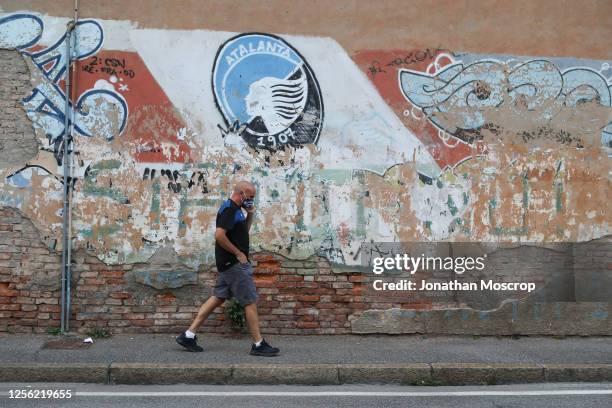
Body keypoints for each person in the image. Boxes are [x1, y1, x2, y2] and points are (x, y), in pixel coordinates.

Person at [176, 180, 280, 357]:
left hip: (229, 265)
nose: (252, 200)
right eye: (250, 197)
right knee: (249, 301)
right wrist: (238, 253)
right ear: (241, 193)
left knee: (218, 297)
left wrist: (250, 215)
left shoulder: (238, 210)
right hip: (234, 265)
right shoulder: (229, 209)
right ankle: (258, 344)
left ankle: (188, 335)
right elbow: (219, 235)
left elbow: (242, 232)